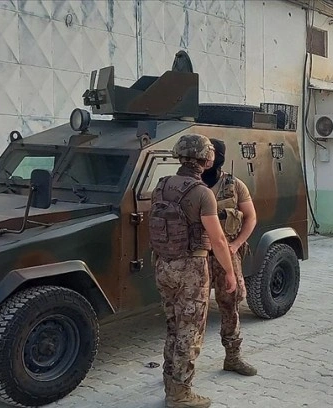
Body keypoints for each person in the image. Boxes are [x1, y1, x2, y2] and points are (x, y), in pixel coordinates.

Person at [149, 133, 236, 408]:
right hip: (192, 269)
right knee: (190, 331)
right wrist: (229, 272)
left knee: (173, 326)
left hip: (164, 264)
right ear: (206, 158)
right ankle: (180, 394)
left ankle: (169, 381)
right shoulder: (202, 193)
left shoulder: (162, 185)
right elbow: (218, 239)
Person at [201, 139, 258, 376]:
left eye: (214, 154)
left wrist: (236, 244)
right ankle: (181, 365)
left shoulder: (234, 185)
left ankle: (233, 358)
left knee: (230, 305)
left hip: (226, 253)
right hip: (197, 256)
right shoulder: (190, 185)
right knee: (192, 310)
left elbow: (251, 217)